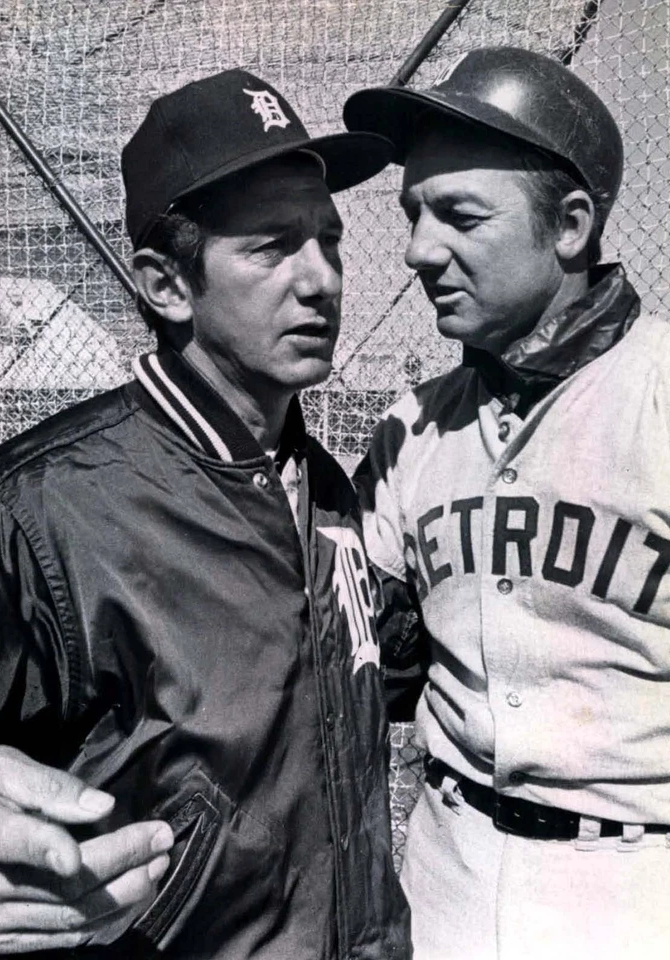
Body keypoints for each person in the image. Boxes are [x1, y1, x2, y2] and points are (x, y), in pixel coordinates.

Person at [0, 69, 411, 959]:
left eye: (329, 240)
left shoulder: (332, 493)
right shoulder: (33, 510)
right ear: (167, 285)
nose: (320, 279)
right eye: (272, 247)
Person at [344, 46, 670, 960]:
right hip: (445, 871)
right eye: (413, 214)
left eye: (459, 215)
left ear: (569, 226)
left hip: (637, 885)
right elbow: (365, 666)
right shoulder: (410, 429)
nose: (417, 250)